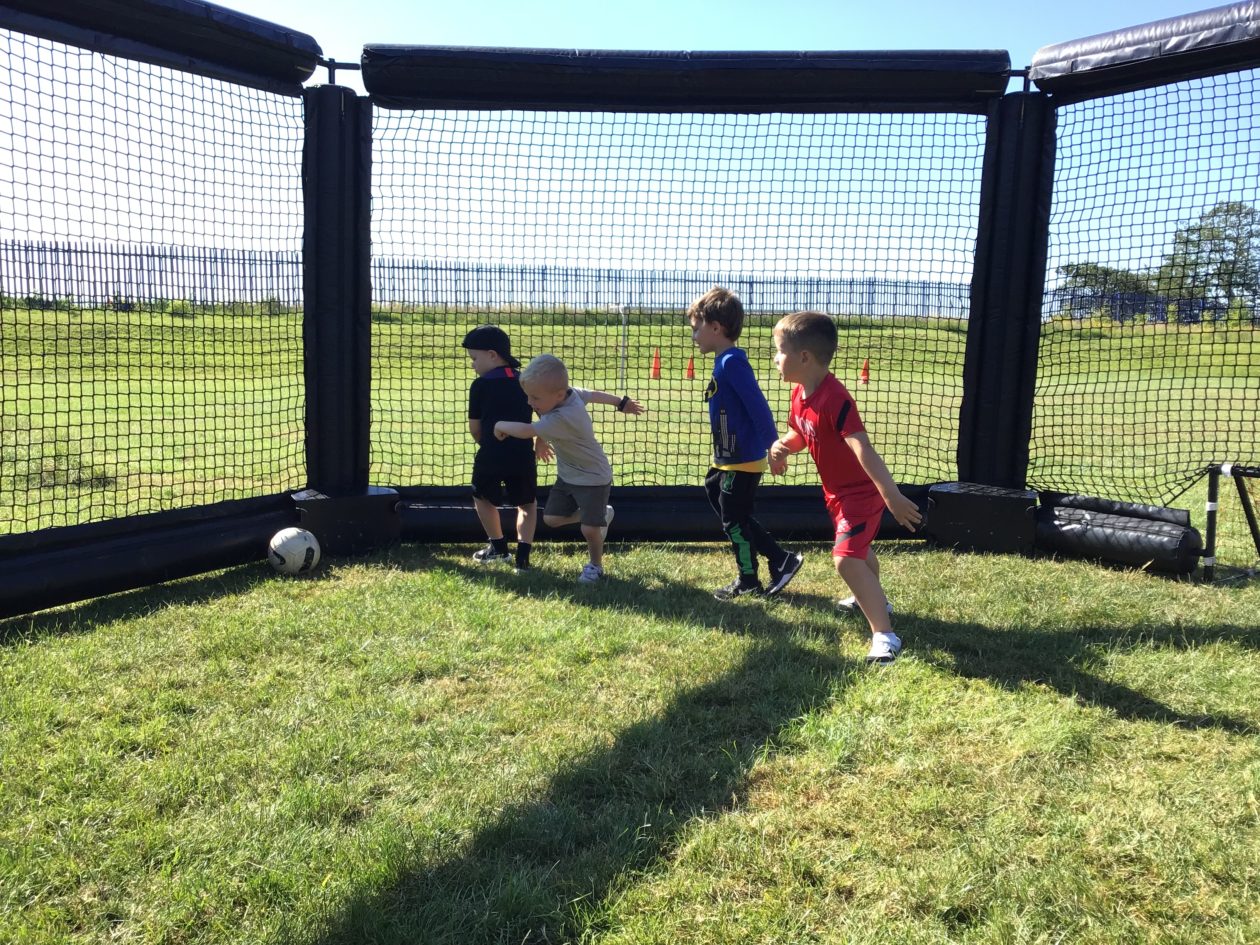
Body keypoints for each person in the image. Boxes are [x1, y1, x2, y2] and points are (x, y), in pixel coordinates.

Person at [767, 310, 922, 664]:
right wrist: (781, 447)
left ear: (804, 357)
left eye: (779, 351)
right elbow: (801, 432)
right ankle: (873, 598)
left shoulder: (836, 399)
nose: (775, 358)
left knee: (846, 559)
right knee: (859, 551)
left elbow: (862, 448)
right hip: (836, 493)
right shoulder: (799, 393)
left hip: (861, 495)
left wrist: (892, 496)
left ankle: (885, 636)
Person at [687, 286, 804, 601]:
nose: (694, 336)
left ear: (716, 328)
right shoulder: (723, 361)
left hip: (743, 460)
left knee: (733, 519)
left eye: (696, 329)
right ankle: (780, 559)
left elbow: (758, 406)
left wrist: (774, 448)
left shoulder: (732, 363)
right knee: (718, 495)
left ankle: (748, 579)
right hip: (727, 459)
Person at [495, 353, 643, 584]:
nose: (529, 403)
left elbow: (526, 430)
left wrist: (499, 425)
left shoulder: (566, 415)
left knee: (589, 530)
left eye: (535, 397)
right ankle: (601, 514)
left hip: (593, 478)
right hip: (568, 475)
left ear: (558, 394)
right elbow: (593, 394)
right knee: (552, 518)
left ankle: (595, 566)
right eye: (528, 396)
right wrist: (620, 402)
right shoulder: (569, 395)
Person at [462, 325, 543, 573]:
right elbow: (547, 415)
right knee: (527, 504)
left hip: (491, 454)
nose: (473, 365)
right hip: (522, 454)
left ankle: (498, 548)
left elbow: (475, 428)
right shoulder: (525, 381)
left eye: (475, 358)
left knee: (481, 497)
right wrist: (541, 440)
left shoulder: (480, 385)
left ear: (492, 355)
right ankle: (523, 559)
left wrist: (486, 443)